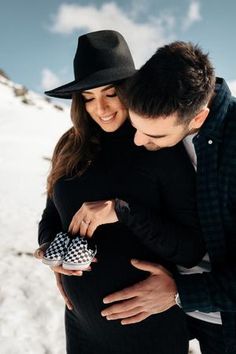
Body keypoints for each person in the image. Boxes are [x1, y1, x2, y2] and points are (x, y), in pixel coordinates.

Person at [35, 31, 205, 354]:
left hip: (149, 335)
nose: (101, 109)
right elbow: (51, 216)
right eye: (88, 97)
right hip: (82, 330)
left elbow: (191, 247)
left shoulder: (157, 144)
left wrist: (122, 211)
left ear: (129, 88)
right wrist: (50, 252)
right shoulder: (70, 148)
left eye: (110, 93)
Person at [99, 41, 236, 354]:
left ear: (198, 118)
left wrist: (179, 292)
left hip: (226, 327)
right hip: (170, 320)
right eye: (136, 126)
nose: (138, 140)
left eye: (155, 136)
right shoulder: (159, 117)